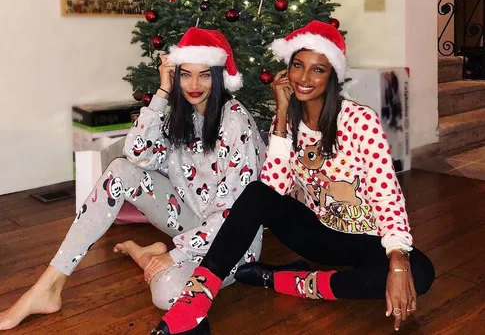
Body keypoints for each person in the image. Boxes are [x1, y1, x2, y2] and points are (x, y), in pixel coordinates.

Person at [151, 21, 435, 335]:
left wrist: (397, 261)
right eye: (298, 66)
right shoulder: (286, 120)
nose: (304, 78)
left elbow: (387, 195)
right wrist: (283, 115)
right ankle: (194, 303)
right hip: (314, 234)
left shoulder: (359, 121)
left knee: (420, 274)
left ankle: (292, 281)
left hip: (364, 239)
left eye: (318, 70)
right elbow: (273, 188)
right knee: (257, 192)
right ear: (288, 70)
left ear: (332, 76)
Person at [0, 27, 265, 330]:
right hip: (191, 219)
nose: (193, 84)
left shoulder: (235, 121)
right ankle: (48, 285)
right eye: (184, 74)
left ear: (218, 78)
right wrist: (162, 95)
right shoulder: (181, 114)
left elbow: (236, 213)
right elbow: (137, 154)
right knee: (120, 171)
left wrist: (177, 254)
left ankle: (148, 255)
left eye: (205, 75)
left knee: (167, 291)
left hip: (234, 241)